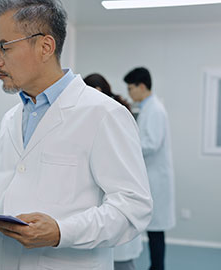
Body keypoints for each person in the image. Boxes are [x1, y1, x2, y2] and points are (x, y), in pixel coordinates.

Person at [0, 1, 153, 269]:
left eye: (4, 46)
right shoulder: (12, 119)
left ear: (45, 47)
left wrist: (61, 231)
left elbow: (132, 209)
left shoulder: (104, 114)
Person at [85, 73, 143, 270]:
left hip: (119, 200)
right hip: (102, 205)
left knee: (124, 260)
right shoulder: (90, 112)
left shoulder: (114, 113)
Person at [124, 67, 176, 270]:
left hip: (156, 178)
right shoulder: (147, 108)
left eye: (131, 88)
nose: (129, 93)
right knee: (154, 233)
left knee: (155, 234)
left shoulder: (155, 109)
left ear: (142, 86)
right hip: (151, 177)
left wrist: (127, 146)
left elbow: (152, 144)